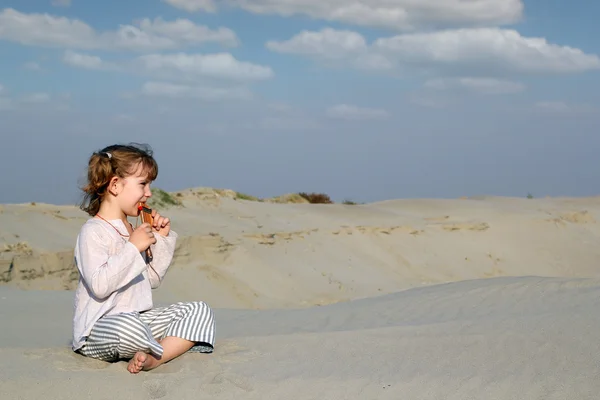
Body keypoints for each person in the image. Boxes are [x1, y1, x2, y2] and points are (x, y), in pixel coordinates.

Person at [72, 143, 215, 373]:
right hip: (100, 328)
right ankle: (162, 346)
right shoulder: (93, 231)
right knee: (130, 328)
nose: (148, 193)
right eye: (143, 184)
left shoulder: (134, 228)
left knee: (199, 310)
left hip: (139, 320)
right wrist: (132, 247)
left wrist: (161, 239)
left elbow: (152, 279)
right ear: (115, 185)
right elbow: (99, 286)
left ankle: (154, 358)